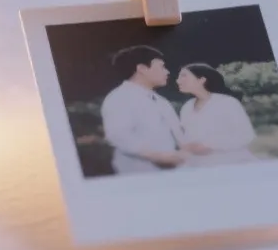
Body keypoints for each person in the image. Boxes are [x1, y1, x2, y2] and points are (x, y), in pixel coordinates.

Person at [98, 45, 186, 175]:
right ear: (142, 69)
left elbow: (179, 135)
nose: (167, 72)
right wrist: (159, 157)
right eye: (162, 67)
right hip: (139, 175)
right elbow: (119, 136)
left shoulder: (161, 101)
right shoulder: (119, 98)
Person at [175, 63, 260, 166]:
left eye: (184, 76)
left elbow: (246, 135)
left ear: (201, 80)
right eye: (178, 77)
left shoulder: (227, 102)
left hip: (232, 162)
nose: (178, 81)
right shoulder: (187, 107)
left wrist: (209, 146)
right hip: (199, 164)